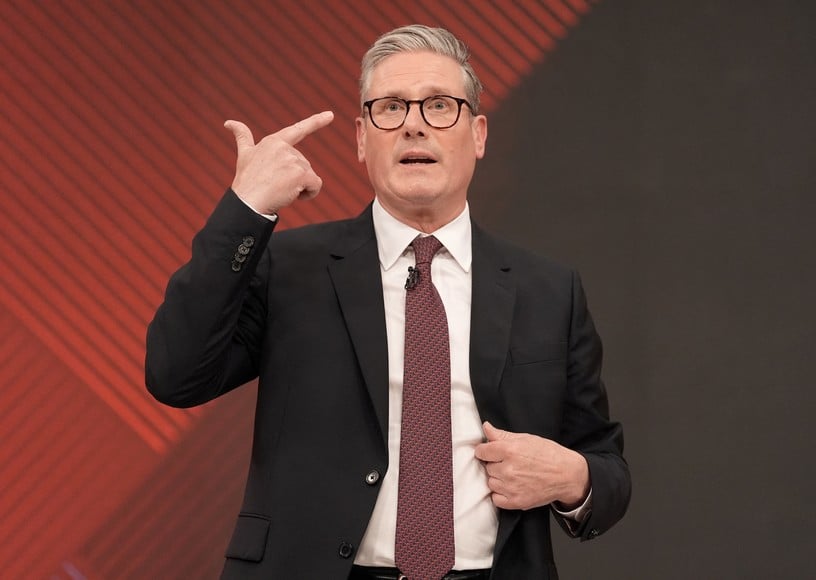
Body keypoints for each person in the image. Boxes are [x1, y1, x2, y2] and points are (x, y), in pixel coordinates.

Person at [146, 24, 630, 580]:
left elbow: (606, 465)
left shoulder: (549, 290)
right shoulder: (289, 267)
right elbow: (174, 374)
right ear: (360, 138)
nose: (414, 125)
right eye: (391, 108)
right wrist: (245, 210)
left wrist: (573, 478)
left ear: (477, 134)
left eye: (440, 106)